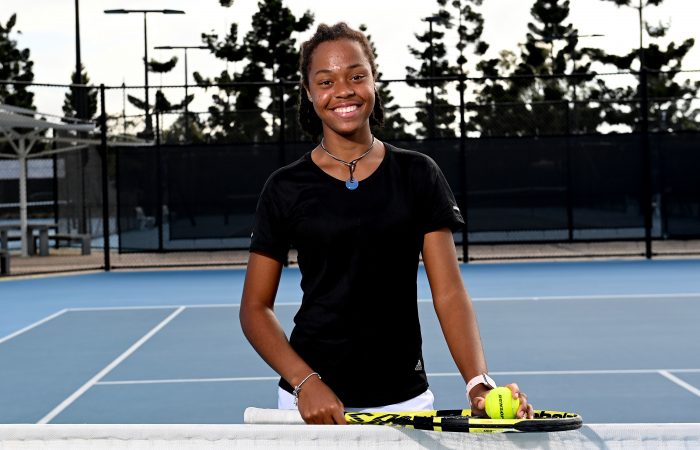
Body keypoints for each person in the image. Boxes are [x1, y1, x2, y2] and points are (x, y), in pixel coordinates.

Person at [240, 22, 533, 425]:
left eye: (356, 76)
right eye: (326, 80)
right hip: (309, 403)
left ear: (374, 82)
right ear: (309, 94)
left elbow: (448, 292)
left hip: (403, 403)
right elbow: (255, 309)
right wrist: (305, 382)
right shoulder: (285, 187)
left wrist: (477, 382)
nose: (343, 90)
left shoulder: (418, 174)